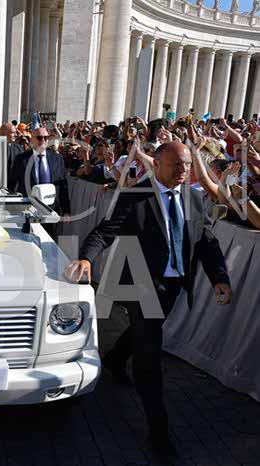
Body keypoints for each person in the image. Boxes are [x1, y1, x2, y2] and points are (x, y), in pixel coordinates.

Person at [64, 141, 232, 460]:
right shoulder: (135, 196)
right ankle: (159, 432)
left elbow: (207, 243)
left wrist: (220, 278)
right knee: (150, 356)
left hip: (174, 285)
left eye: (186, 164)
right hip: (141, 286)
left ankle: (115, 359)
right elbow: (106, 231)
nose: (183, 170)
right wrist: (86, 257)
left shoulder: (194, 198)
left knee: (146, 330)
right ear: (156, 165)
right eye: (176, 164)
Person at [9, 127, 70, 229]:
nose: (43, 140)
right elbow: (11, 184)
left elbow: (63, 185)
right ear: (31, 139)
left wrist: (66, 210)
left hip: (50, 210)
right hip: (28, 210)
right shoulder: (21, 159)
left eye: (46, 138)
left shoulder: (57, 158)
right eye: (39, 138)